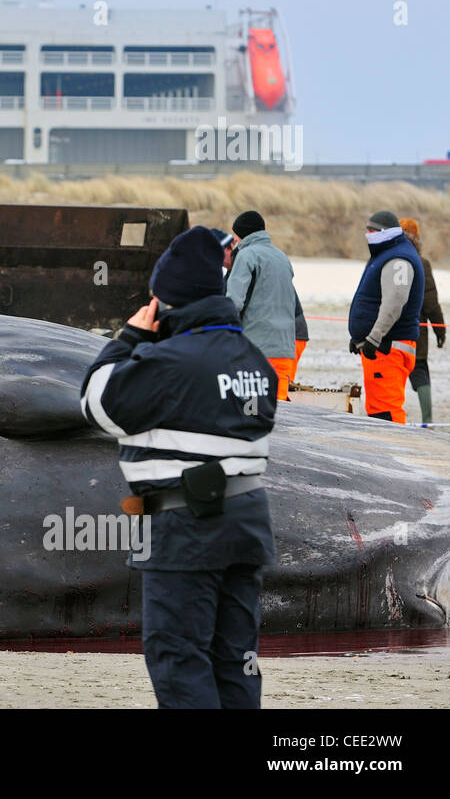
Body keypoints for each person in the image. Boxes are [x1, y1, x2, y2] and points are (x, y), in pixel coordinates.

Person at [79, 226, 277, 709]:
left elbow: (96, 405)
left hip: (187, 528)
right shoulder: (253, 359)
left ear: (167, 300)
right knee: (234, 657)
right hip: (247, 522)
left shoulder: (168, 361)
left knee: (178, 656)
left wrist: (128, 337)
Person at [349, 210, 425, 423]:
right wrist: (359, 336)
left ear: (385, 233)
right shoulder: (387, 253)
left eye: (372, 230)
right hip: (381, 346)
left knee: (386, 412)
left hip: (388, 347)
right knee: (377, 409)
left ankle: (393, 452)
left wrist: (373, 336)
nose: (368, 234)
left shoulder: (398, 258)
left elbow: (395, 301)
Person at [225, 211, 298, 401]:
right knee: (279, 411)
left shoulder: (246, 255)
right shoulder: (282, 257)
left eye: (236, 234)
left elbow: (234, 301)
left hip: (256, 349)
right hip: (284, 348)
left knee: (253, 411)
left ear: (242, 234)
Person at [399, 218, 444, 425]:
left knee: (395, 375)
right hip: (417, 332)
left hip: (390, 330)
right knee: (420, 372)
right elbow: (431, 303)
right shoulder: (421, 263)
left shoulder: (389, 258)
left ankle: (391, 417)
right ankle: (427, 421)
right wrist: (440, 330)